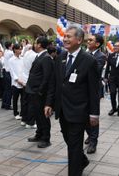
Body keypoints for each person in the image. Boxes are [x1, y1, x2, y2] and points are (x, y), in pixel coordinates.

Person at [45, 25, 100, 176]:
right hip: (62, 109)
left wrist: (94, 114)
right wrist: (49, 103)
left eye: (69, 36)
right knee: (68, 139)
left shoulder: (89, 61)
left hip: (79, 110)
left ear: (79, 40)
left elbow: (94, 91)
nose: (65, 39)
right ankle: (82, 160)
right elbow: (54, 82)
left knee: (74, 147)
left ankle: (75, 170)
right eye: (65, 36)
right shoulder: (61, 57)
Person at [26, 36, 54, 148]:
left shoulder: (46, 58)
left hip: (40, 93)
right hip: (34, 91)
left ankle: (46, 138)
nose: (34, 44)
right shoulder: (40, 56)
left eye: (35, 43)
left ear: (39, 45)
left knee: (43, 116)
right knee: (37, 115)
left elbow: (47, 78)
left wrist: (40, 91)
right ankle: (39, 134)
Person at [84, 34, 106, 154]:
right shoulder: (85, 53)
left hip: (93, 91)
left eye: (90, 40)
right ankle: (90, 135)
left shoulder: (101, 56)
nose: (88, 41)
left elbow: (95, 71)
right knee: (84, 115)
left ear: (97, 44)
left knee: (93, 117)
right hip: (83, 90)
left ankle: (93, 142)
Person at [9, 44, 26, 120]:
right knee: (15, 99)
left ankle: (22, 113)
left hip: (23, 81)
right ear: (15, 50)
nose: (20, 50)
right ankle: (15, 113)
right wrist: (18, 80)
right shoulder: (11, 60)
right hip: (15, 83)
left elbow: (24, 70)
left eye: (21, 49)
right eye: (19, 49)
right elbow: (12, 73)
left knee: (23, 99)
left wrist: (24, 80)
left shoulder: (22, 59)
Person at [22, 43, 37, 128]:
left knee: (25, 101)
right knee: (31, 102)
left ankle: (24, 119)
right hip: (30, 81)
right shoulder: (35, 56)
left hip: (24, 79)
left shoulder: (27, 53)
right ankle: (30, 122)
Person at [2, 41, 14, 109]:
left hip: (5, 71)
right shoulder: (10, 53)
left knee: (6, 89)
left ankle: (4, 104)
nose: (13, 46)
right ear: (10, 46)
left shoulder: (5, 51)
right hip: (9, 72)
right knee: (9, 90)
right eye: (12, 45)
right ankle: (8, 105)